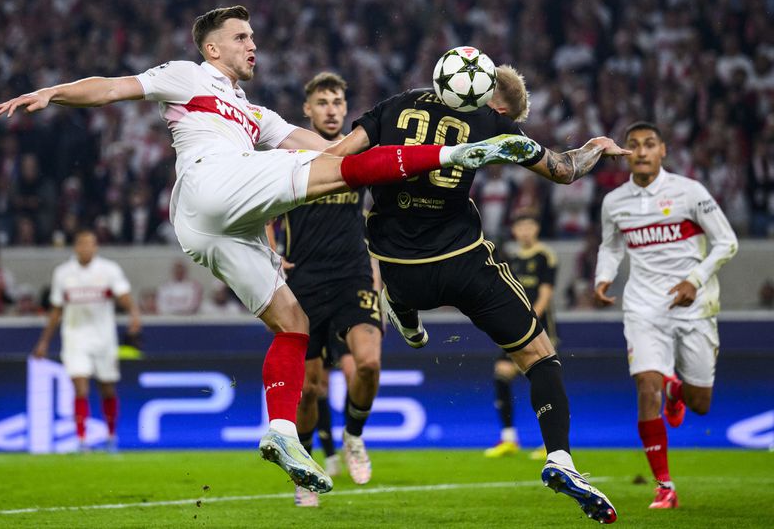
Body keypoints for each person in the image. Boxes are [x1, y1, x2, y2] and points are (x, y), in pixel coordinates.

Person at [0, 5, 536, 494]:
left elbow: (332, 150)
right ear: (213, 49)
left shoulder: (254, 115)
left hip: (211, 228)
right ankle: (462, 153)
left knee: (292, 323)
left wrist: (378, 145)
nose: (253, 44)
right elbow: (114, 87)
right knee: (344, 178)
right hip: (213, 181)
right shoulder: (187, 76)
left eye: (253, 36)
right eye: (241, 37)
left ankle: (280, 432)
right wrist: (55, 92)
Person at [326, 63, 629, 523]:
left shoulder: (394, 106)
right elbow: (566, 170)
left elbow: (339, 158)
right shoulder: (491, 123)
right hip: (463, 262)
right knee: (539, 356)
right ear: (493, 100)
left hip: (400, 266)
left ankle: (403, 310)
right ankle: (560, 459)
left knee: (400, 271)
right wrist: (595, 147)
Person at [594, 121, 738, 509]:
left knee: (701, 403)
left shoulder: (689, 193)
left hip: (694, 305)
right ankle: (665, 486)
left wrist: (694, 279)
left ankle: (678, 391)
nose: (641, 151)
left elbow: (727, 242)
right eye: (634, 145)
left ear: (663, 152)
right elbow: (610, 246)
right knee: (645, 387)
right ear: (625, 153)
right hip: (642, 305)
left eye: (649, 144)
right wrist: (604, 277)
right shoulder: (614, 202)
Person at [267, 72, 384, 506]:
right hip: (305, 281)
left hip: (354, 275)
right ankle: (304, 469)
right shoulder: (291, 155)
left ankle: (353, 436)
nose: (332, 109)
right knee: (311, 389)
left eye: (338, 101)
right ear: (308, 110)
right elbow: (264, 209)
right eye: (323, 102)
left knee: (369, 364)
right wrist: (271, 251)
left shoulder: (357, 150)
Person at [32, 230, 141, 452]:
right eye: (82, 244)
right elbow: (56, 310)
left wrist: (134, 313)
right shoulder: (63, 273)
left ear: (96, 247)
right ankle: (82, 440)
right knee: (80, 388)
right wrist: (44, 342)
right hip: (75, 337)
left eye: (90, 244)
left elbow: (123, 294)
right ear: (75, 247)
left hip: (104, 338)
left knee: (107, 388)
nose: (86, 248)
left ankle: (111, 436)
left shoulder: (109, 269)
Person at [484, 213, 556, 461]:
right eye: (520, 226)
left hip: (539, 329)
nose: (524, 230)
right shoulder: (512, 259)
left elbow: (545, 294)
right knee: (501, 375)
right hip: (516, 328)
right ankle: (509, 438)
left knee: (543, 381)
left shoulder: (545, 256)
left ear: (536, 228)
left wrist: (530, 320)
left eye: (529, 225)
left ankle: (552, 442)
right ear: (514, 231)